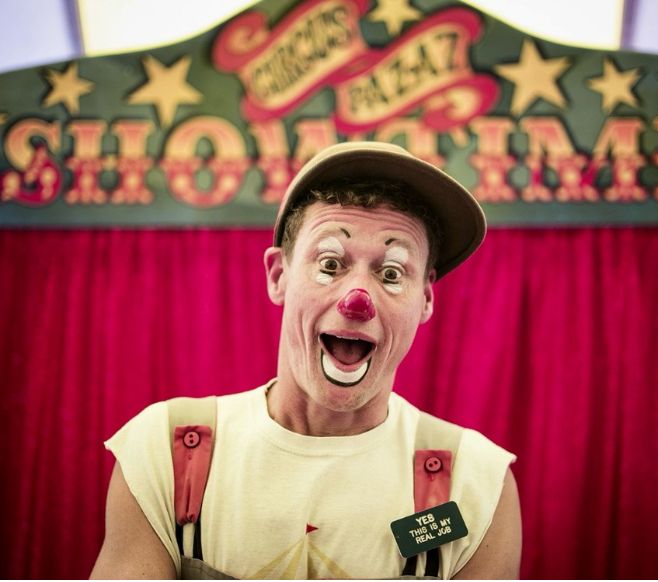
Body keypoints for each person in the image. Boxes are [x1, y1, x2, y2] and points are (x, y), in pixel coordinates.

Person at [90, 141, 521, 579]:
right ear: (279, 277)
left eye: (391, 274)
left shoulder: (477, 482)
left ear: (425, 299)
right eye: (330, 264)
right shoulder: (165, 448)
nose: (359, 300)